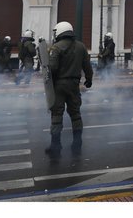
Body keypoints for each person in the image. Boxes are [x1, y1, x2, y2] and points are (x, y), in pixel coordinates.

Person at [45, 21, 94, 159]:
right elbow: (87, 66)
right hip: (74, 84)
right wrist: (89, 79)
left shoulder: (56, 47)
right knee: (75, 114)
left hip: (59, 85)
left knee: (57, 115)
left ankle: (56, 146)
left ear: (59, 31)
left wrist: (49, 83)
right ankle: (77, 144)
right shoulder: (81, 46)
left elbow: (52, 69)